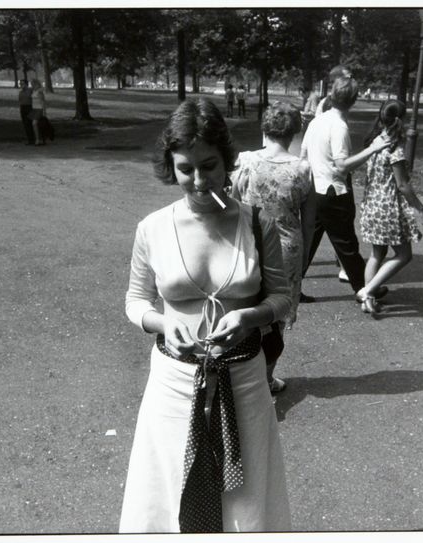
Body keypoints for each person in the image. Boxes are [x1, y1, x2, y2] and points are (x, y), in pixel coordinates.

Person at [119, 98, 292, 533]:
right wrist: (163, 322)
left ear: (228, 159)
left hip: (245, 381)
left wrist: (250, 317)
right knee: (169, 492)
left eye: (209, 165)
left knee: (245, 498)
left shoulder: (257, 224)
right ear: (170, 166)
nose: (198, 180)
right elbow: (136, 301)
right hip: (174, 383)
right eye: (184, 168)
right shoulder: (152, 228)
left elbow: (282, 298)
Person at [231, 101, 315, 394]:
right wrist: (303, 258)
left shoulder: (246, 162)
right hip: (286, 247)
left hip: (250, 243)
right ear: (294, 132)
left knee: (245, 306)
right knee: (276, 315)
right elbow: (309, 222)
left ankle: (241, 373)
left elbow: (231, 203)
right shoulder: (302, 169)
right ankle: (265, 377)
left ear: (264, 128)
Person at [299, 76, 392, 298]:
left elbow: (303, 155)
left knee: (309, 243)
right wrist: (373, 148)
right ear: (354, 100)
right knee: (346, 243)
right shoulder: (339, 126)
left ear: (331, 95)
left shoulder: (317, 121)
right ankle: (363, 289)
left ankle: (291, 287)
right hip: (333, 191)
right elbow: (342, 167)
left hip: (315, 189)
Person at [356, 100, 423, 314]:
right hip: (387, 207)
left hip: (371, 204)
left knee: (376, 254)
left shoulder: (375, 141)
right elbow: (403, 185)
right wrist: (421, 209)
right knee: (404, 255)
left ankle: (368, 300)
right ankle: (368, 290)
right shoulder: (395, 149)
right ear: (402, 120)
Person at [29, 78, 47, 146]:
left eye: (33, 84)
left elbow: (43, 102)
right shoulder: (34, 91)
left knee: (34, 123)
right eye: (31, 84)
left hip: (39, 109)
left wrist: (44, 111)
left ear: (37, 84)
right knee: (36, 125)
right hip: (34, 109)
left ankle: (38, 140)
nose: (32, 86)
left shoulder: (39, 91)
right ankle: (39, 139)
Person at [18, 79, 35, 145]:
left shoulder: (30, 91)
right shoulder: (21, 92)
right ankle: (29, 139)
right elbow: (20, 100)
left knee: (29, 123)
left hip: (29, 107)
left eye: (22, 84)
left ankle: (33, 139)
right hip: (23, 108)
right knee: (25, 124)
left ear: (26, 84)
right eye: (20, 84)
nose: (21, 85)